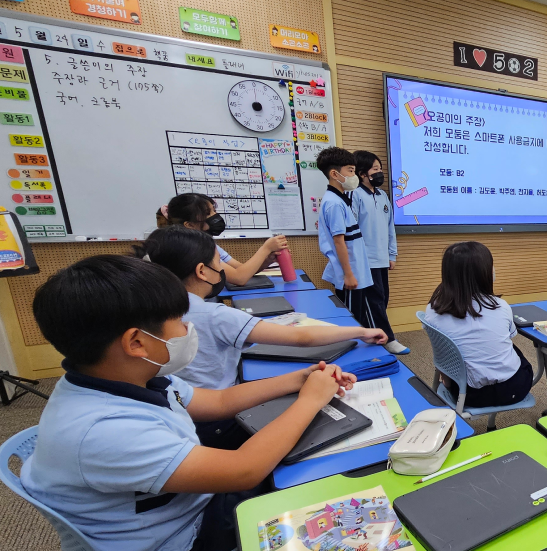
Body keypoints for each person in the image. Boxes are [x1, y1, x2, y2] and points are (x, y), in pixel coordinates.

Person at [21, 254, 355, 551]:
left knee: (301, 467)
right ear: (136, 342)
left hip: (180, 512)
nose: (187, 329)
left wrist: (297, 379)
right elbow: (245, 469)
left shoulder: (131, 376)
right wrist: (310, 401)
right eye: (179, 322)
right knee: (327, 501)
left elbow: (221, 400)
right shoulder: (103, 430)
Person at [134, 226, 387, 448]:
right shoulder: (213, 315)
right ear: (202, 271)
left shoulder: (149, 307)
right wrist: (361, 330)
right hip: (218, 423)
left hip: (195, 414)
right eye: (218, 263)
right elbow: (302, 337)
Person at [422, 241, 534, 408]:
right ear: (483, 273)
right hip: (511, 390)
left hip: (461, 391)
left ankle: (446, 381)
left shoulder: (433, 308)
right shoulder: (500, 306)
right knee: (513, 349)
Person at [316, 147, 386, 335]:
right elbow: (339, 242)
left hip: (356, 269)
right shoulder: (334, 203)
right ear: (334, 174)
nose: (353, 176)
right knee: (351, 317)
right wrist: (348, 274)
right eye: (350, 171)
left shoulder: (341, 199)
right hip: (349, 272)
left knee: (360, 315)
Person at [156, 194, 288, 286]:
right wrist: (266, 248)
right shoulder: (191, 249)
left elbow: (241, 269)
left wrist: (266, 261)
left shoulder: (208, 243)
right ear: (189, 225)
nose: (215, 216)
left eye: (214, 210)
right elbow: (239, 278)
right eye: (208, 213)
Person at [352, 150, 408, 355]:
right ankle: (388, 339)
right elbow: (352, 230)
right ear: (362, 173)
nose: (380, 172)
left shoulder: (383, 195)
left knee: (382, 299)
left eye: (380, 168)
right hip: (365, 260)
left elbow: (389, 227)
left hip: (382, 259)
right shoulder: (354, 195)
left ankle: (375, 335)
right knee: (374, 301)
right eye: (375, 169)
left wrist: (392, 254)